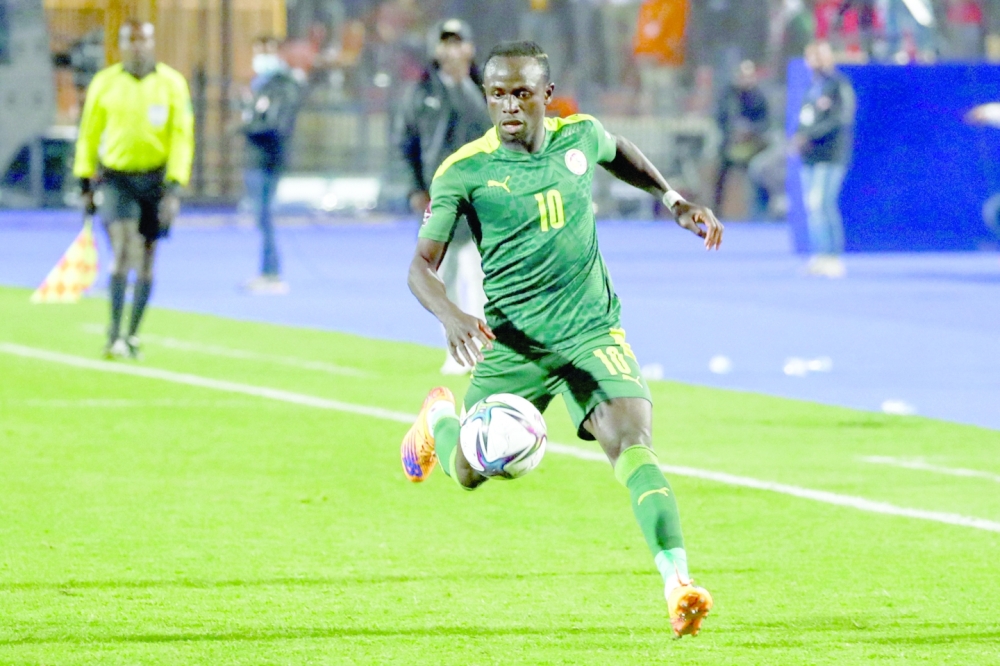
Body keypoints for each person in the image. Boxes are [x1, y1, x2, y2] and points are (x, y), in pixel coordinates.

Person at [400, 41, 723, 638]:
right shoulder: (465, 171)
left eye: (522, 93)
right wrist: (450, 313)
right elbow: (420, 267)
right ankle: (438, 419)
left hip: (590, 331)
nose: (509, 106)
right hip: (513, 344)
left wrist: (672, 199)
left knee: (633, 442)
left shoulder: (579, 138)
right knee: (468, 473)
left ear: (547, 95)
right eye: (497, 94)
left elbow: (618, 151)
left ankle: (678, 583)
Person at [73, 19, 194, 358]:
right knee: (126, 250)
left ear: (153, 43)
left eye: (144, 41)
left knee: (147, 262)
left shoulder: (172, 84)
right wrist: (84, 179)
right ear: (122, 44)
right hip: (117, 179)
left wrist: (175, 187)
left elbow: (182, 138)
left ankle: (132, 334)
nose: (137, 47)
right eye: (131, 41)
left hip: (155, 181)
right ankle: (113, 333)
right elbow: (89, 134)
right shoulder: (105, 83)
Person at [395, 19, 492, 374]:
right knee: (444, 274)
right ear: (436, 49)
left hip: (485, 195)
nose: (452, 50)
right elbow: (405, 142)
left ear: (469, 47)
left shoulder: (485, 89)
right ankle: (456, 348)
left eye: (458, 42)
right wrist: (414, 187)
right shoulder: (421, 92)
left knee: (484, 272)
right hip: (441, 196)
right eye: (445, 43)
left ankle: (486, 346)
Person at [240, 35, 304, 294]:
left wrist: (247, 127)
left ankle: (272, 272)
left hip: (268, 159)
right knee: (261, 217)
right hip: (257, 157)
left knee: (264, 216)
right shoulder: (262, 85)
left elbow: (276, 125)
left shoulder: (282, 85)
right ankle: (267, 270)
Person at [792, 40, 855, 278]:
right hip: (811, 156)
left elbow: (840, 118)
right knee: (812, 205)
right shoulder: (811, 88)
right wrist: (799, 138)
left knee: (823, 203)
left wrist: (810, 136)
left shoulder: (838, 85)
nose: (815, 62)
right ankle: (819, 254)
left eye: (820, 56)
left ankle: (833, 255)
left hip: (831, 154)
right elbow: (805, 119)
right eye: (811, 57)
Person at [713, 60, 771, 219]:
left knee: (758, 172)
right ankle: (716, 211)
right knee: (718, 173)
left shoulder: (759, 97)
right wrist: (732, 132)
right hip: (730, 144)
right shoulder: (728, 95)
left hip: (753, 146)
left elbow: (765, 122)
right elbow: (720, 117)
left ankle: (757, 213)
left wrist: (750, 132)